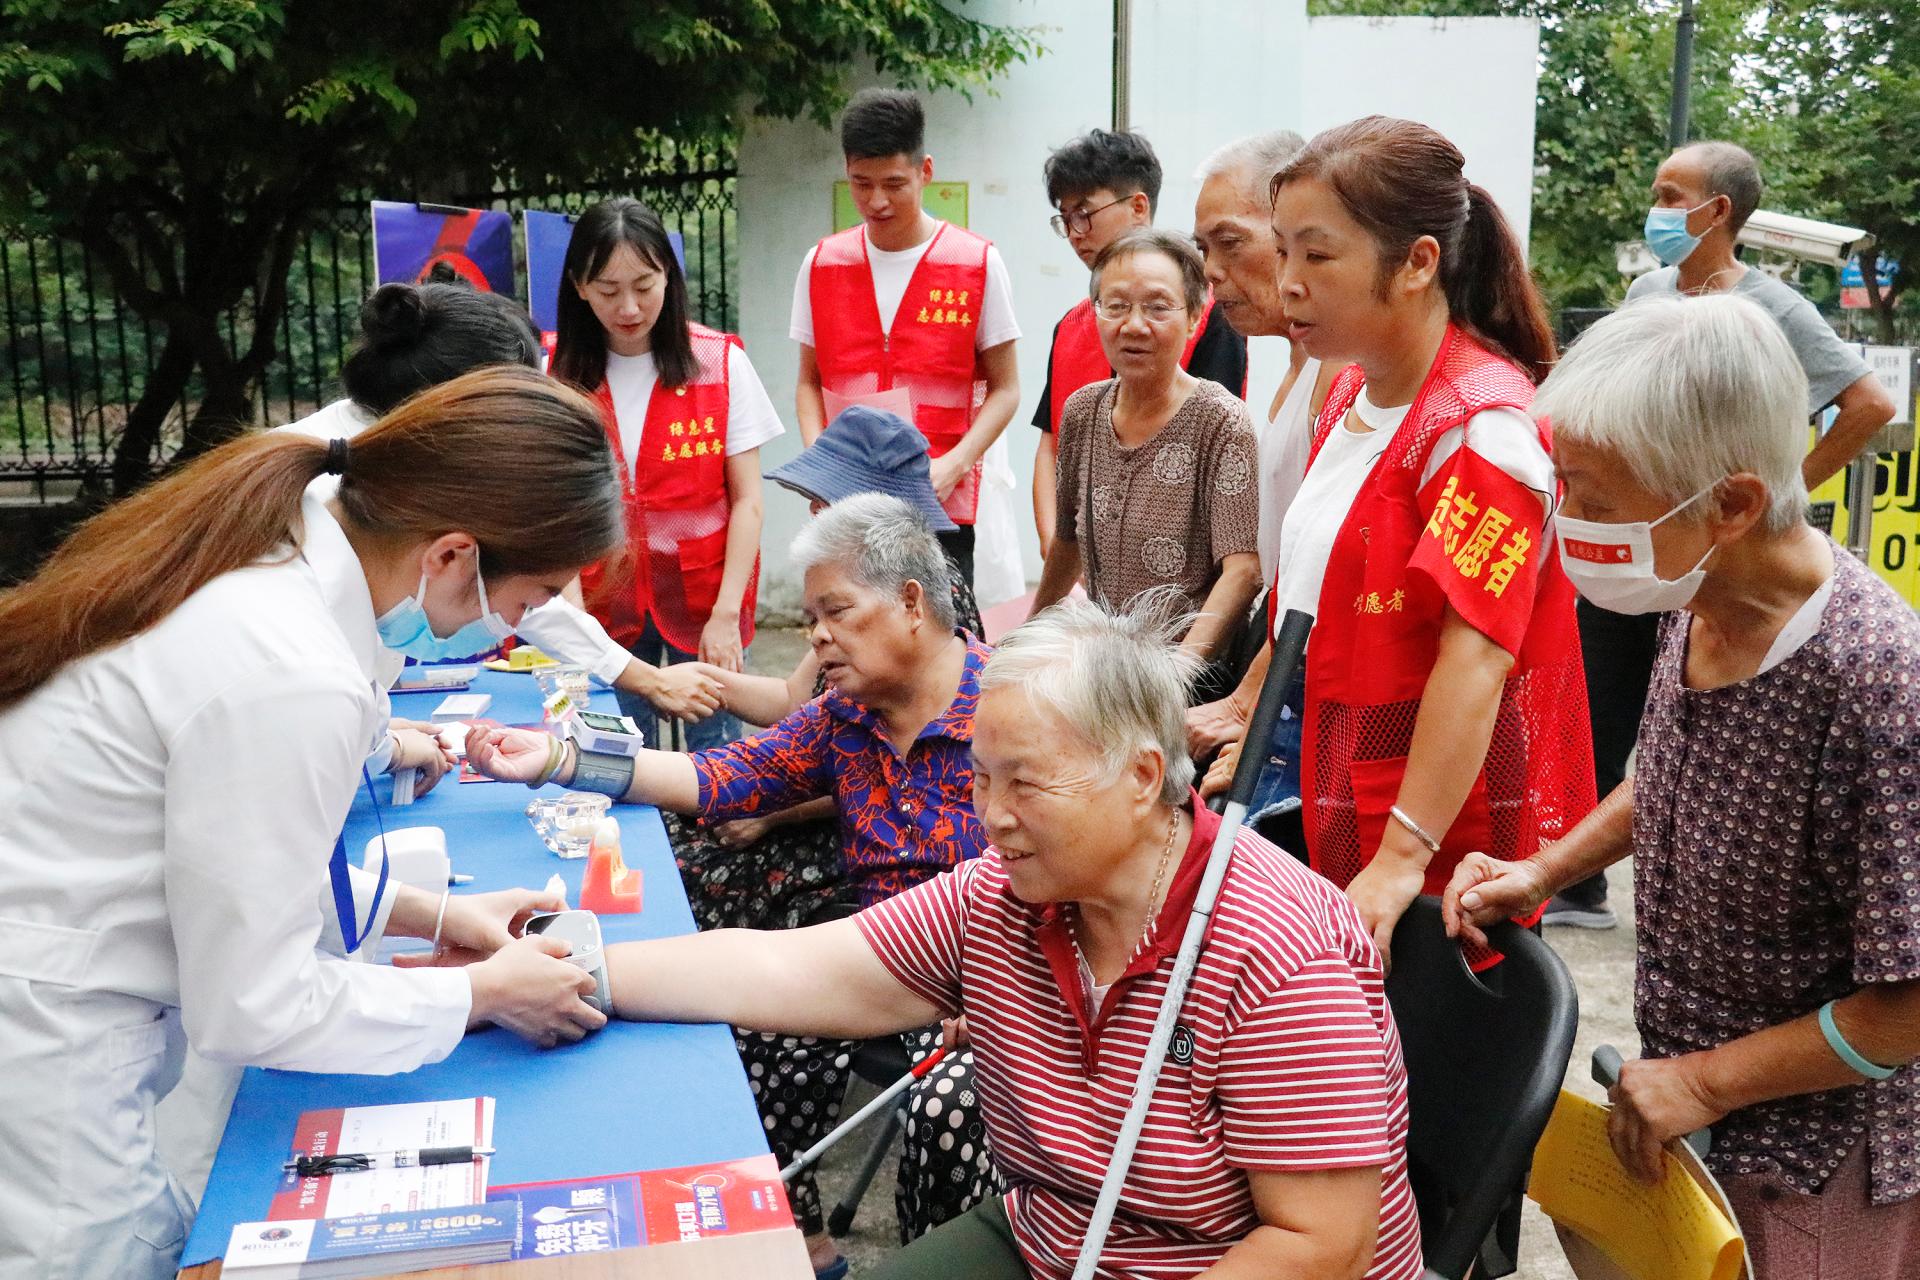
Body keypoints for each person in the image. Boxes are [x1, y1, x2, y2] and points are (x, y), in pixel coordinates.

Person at [592, 598, 1423, 1280]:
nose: (991, 816)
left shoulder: (1277, 951)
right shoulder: (1006, 894)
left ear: (1139, 777)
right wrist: (577, 967)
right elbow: (792, 967)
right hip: (1061, 1236)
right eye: (981, 778)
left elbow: (1322, 1245)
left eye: (1024, 782)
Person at [0, 368, 620, 1280]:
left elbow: (246, 866)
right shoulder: (289, 669)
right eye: (525, 603)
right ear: (452, 556)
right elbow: (254, 1003)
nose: (510, 633)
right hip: (48, 1041)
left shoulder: (277, 561)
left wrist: (442, 917)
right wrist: (481, 995)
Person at [1444, 294, 1920, 1280]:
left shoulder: (1877, 685)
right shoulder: (1696, 590)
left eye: (1592, 497)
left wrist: (1705, 1080)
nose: (1565, 521)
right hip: (1685, 1104)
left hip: (1821, 1159)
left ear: (1732, 504)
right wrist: (1544, 869)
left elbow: (1906, 1006)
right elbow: (1672, 769)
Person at [465, 495, 997, 1275]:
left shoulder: (1016, 710)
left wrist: (1000, 984)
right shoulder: (846, 716)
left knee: (951, 1112)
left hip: (993, 964)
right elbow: (723, 776)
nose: (815, 637)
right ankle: (802, 1240)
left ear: (911, 604)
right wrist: (554, 760)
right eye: (812, 617)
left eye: (836, 612)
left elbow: (1066, 878)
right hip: (883, 955)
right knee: (752, 1012)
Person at [1199, 118, 1594, 971]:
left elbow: (1477, 659)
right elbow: (1309, 600)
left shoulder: (1482, 432)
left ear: (1417, 263)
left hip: (1440, 845)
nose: (1288, 282)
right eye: (1285, 251)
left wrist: (1404, 856)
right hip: (1347, 793)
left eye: (1318, 255)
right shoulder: (1350, 392)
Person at [1548, 139, 1899, 931]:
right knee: (1618, 704)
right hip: (1652, 542)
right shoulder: (1647, 290)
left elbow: (1870, 405)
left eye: (1672, 196)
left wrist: (1785, 489)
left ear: (1719, 212)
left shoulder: (1774, 309)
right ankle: (1583, 887)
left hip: (1702, 543)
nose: (1658, 209)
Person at [283, 280, 727, 755]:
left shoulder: (366, 464)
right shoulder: (344, 521)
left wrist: (378, 737)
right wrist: (379, 748)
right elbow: (302, 733)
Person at [661, 406, 984, 942]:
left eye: (822, 499)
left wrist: (772, 813)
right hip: (825, 802)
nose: (812, 511)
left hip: (864, 841)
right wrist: (694, 682)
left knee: (706, 880)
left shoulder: (934, 606)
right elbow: (798, 704)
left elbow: (904, 774)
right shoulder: (843, 610)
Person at [551, 196, 782, 750]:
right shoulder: (554, 374)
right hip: (603, 606)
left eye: (645, 286)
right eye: (608, 290)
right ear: (579, 287)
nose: (628, 307)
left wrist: (727, 614)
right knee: (621, 759)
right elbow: (553, 505)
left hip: (705, 601)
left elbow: (747, 500)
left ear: (669, 279)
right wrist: (573, 621)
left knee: (719, 762)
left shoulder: (720, 362)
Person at [792, 87, 1022, 586]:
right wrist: (819, 466)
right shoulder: (822, 264)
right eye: (861, 183)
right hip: (848, 501)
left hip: (940, 503)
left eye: (895, 183)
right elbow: (809, 382)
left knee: (937, 645)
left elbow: (1007, 389)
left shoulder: (976, 263)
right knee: (854, 644)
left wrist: (954, 465)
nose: (877, 201)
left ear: (926, 172)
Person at [1186, 130, 1343, 825]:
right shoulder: (1295, 363)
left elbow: (1325, 570)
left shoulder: (1342, 367)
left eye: (1231, 242)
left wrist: (1252, 699)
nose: (1213, 271)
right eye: (1203, 251)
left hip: (1304, 672)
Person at [1028, 228, 1262, 692]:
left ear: (1195, 316)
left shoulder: (1222, 421)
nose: (1134, 325)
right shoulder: (1082, 410)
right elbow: (1068, 541)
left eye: (1157, 307)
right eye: (1115, 306)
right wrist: (1028, 633)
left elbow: (1244, 570)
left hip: (1191, 677)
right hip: (1106, 668)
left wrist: (1177, 674)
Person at [1030, 128, 1248, 556]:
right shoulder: (1071, 325)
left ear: (1138, 206)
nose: (1075, 232)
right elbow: (1050, 446)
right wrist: (1053, 547)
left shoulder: (1209, 317)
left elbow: (1213, 452)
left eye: (1085, 213)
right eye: (1065, 217)